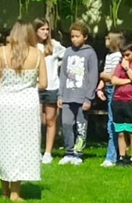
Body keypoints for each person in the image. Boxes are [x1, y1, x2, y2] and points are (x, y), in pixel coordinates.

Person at [0, 20, 47, 202]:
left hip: (5, 103)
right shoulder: (38, 54)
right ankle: (15, 192)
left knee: (5, 145)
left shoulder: (1, 52)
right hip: (26, 105)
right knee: (22, 147)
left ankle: (5, 190)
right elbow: (44, 84)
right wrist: (28, 86)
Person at [57, 21, 99, 165]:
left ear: (85, 37)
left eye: (77, 36)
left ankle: (78, 153)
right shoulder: (68, 52)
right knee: (67, 123)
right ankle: (69, 152)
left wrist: (89, 98)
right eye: (72, 36)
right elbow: (63, 74)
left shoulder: (90, 53)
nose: (74, 39)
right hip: (68, 96)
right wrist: (60, 95)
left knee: (81, 125)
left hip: (82, 97)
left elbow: (93, 76)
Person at [35, 18, 65, 165]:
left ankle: (48, 152)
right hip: (35, 87)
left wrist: (58, 66)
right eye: (42, 29)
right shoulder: (31, 46)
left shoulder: (54, 45)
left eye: (47, 29)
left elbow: (66, 57)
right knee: (36, 120)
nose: (45, 32)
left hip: (52, 86)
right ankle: (35, 150)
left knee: (50, 120)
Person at [97, 31, 124, 167]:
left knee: (112, 124)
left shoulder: (118, 56)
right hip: (108, 89)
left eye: (108, 38)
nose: (105, 40)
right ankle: (114, 154)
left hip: (115, 89)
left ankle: (111, 157)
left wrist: (103, 75)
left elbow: (112, 76)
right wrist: (99, 88)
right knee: (111, 123)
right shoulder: (109, 56)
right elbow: (105, 76)